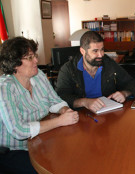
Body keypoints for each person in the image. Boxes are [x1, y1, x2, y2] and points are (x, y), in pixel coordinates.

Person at [0, 37, 79, 173]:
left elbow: (54, 100)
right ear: (15, 64)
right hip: (15, 150)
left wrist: (65, 110)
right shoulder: (5, 88)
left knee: (72, 158)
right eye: (30, 58)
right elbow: (18, 130)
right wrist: (60, 121)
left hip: (40, 141)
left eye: (34, 55)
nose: (36, 60)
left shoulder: (39, 76)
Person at [56, 31, 135, 112]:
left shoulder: (109, 64)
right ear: (83, 51)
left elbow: (131, 82)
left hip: (107, 112)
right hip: (82, 114)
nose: (101, 55)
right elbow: (61, 96)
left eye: (102, 49)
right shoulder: (68, 69)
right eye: (95, 51)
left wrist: (124, 93)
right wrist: (84, 102)